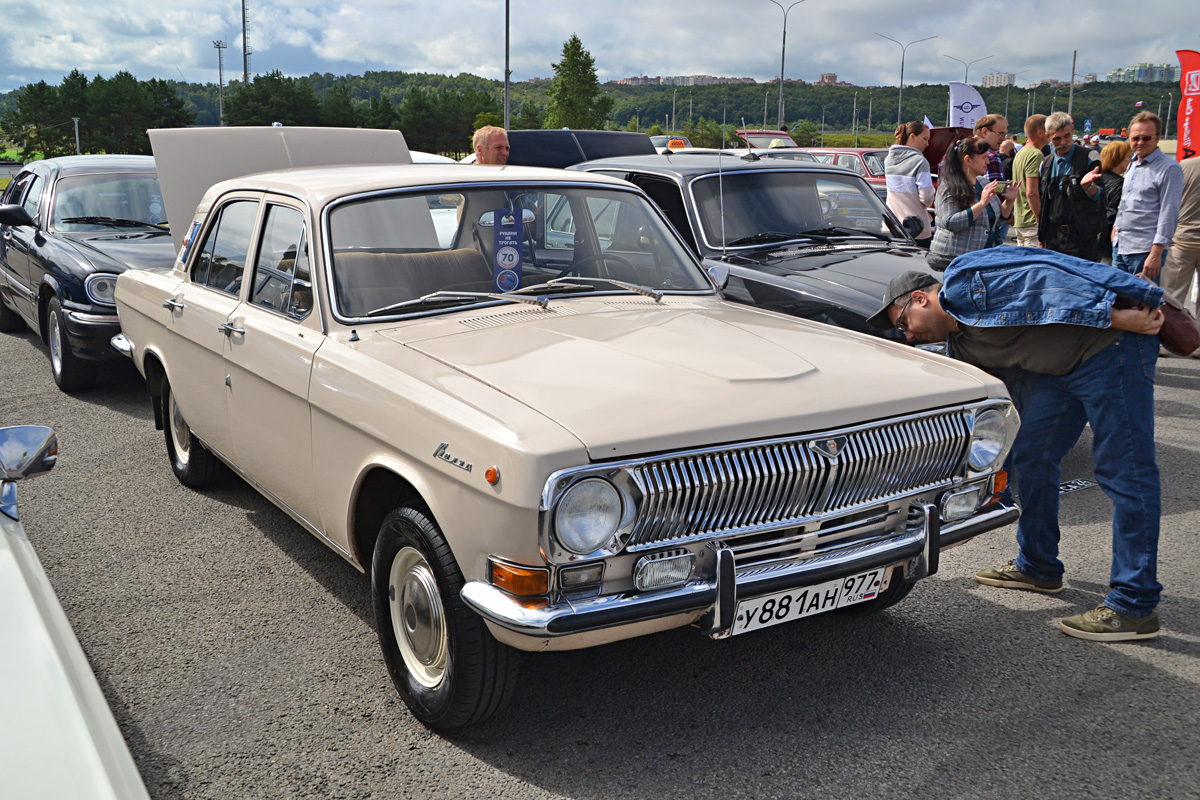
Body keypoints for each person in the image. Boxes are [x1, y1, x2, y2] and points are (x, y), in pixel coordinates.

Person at [867, 252, 1167, 641]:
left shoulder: (964, 286)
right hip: (1059, 371)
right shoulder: (961, 346)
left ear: (921, 298)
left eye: (904, 322)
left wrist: (1114, 316)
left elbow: (1043, 281)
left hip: (1112, 348)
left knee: (1125, 471)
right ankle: (1038, 567)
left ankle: (1134, 605)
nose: (907, 334)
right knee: (1031, 457)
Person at [1112, 112, 1184, 281]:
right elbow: (1126, 202)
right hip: (1121, 246)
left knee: (1142, 306)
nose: (1140, 143)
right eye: (1135, 138)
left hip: (1144, 251)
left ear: (1157, 137)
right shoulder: (1133, 164)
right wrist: (1115, 230)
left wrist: (1156, 253)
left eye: (1146, 138)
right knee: (1120, 304)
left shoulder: (1169, 168)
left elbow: (1169, 213)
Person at [927, 137, 1017, 271]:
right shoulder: (949, 186)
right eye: (984, 157)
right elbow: (950, 222)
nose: (987, 161)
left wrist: (1009, 200)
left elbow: (997, 220)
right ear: (968, 160)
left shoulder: (983, 183)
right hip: (952, 261)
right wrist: (981, 204)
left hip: (980, 259)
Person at [1038, 112, 1105, 260]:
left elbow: (1101, 196)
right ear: (1048, 137)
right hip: (1053, 238)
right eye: (1057, 138)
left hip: (1082, 237)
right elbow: (1044, 203)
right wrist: (1041, 237)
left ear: (1073, 131)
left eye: (1067, 136)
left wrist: (1089, 188)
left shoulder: (1089, 157)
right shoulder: (1046, 164)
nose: (1063, 142)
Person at [1160, 155, 1200, 356]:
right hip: (1187, 236)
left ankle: (1166, 339)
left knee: (1172, 292)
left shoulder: (1183, 166)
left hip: (1182, 236)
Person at [884, 120, 935, 248]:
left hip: (892, 226)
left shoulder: (888, 159)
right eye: (924, 139)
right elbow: (927, 197)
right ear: (912, 136)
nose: (927, 144)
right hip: (917, 228)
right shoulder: (920, 161)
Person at [1012, 115, 1048, 248]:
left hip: (1020, 218)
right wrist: (1041, 220)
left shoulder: (1020, 153)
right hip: (1032, 220)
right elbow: (1031, 192)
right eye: (1048, 130)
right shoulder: (1036, 154)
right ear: (1040, 132)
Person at [1097, 139, 1133, 264]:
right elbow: (1112, 215)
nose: (1131, 160)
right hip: (1107, 243)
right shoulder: (1120, 184)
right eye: (1128, 156)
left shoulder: (1095, 178)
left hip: (1091, 241)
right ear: (1118, 159)